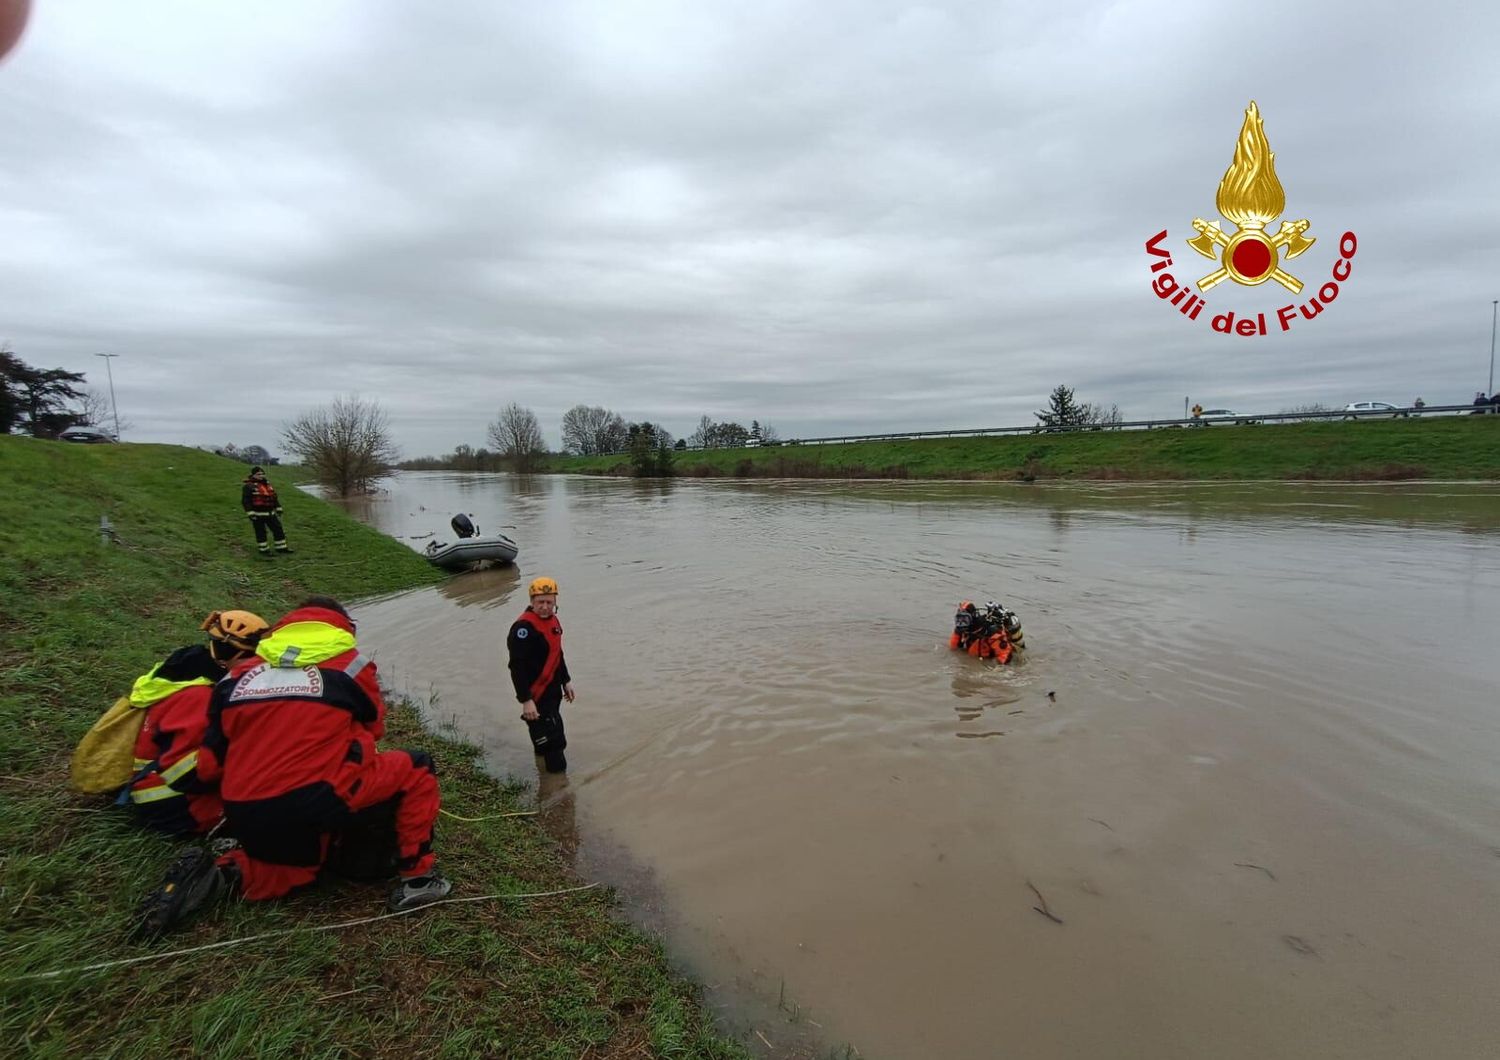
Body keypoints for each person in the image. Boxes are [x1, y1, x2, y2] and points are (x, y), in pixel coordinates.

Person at [134, 597, 449, 939]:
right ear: (344, 628)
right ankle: (419, 880)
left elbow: (210, 765)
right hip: (315, 798)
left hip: (242, 809)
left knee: (296, 870)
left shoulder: (235, 676)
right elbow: (373, 731)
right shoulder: (351, 666)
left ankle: (220, 876)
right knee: (417, 766)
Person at [122, 610, 270, 836]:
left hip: (163, 788)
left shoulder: (189, 671)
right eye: (254, 659)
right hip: (169, 802)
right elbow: (182, 773)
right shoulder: (202, 696)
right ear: (229, 653)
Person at [507, 576, 575, 774]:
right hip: (536, 694)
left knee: (543, 736)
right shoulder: (523, 629)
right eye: (540, 602)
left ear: (555, 602)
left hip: (553, 690)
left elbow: (557, 653)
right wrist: (526, 700)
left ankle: (543, 774)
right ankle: (560, 792)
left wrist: (566, 681)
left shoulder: (553, 621)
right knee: (556, 742)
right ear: (531, 602)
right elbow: (516, 667)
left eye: (549, 602)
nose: (545, 607)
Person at [949, 600, 1023, 664]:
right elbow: (953, 648)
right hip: (977, 658)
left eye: (965, 619)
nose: (961, 623)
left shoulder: (989, 631)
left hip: (991, 658)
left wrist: (994, 669)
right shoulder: (963, 629)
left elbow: (1005, 655)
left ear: (972, 617)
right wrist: (957, 632)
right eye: (958, 619)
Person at [241, 465, 292, 556]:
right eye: (258, 474)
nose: (261, 476)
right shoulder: (248, 486)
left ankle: (281, 548)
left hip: (270, 513)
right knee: (261, 532)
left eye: (262, 474)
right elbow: (246, 501)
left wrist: (278, 508)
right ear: (253, 475)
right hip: (258, 514)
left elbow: (274, 498)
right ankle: (264, 550)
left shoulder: (267, 485)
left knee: (278, 529)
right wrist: (250, 513)